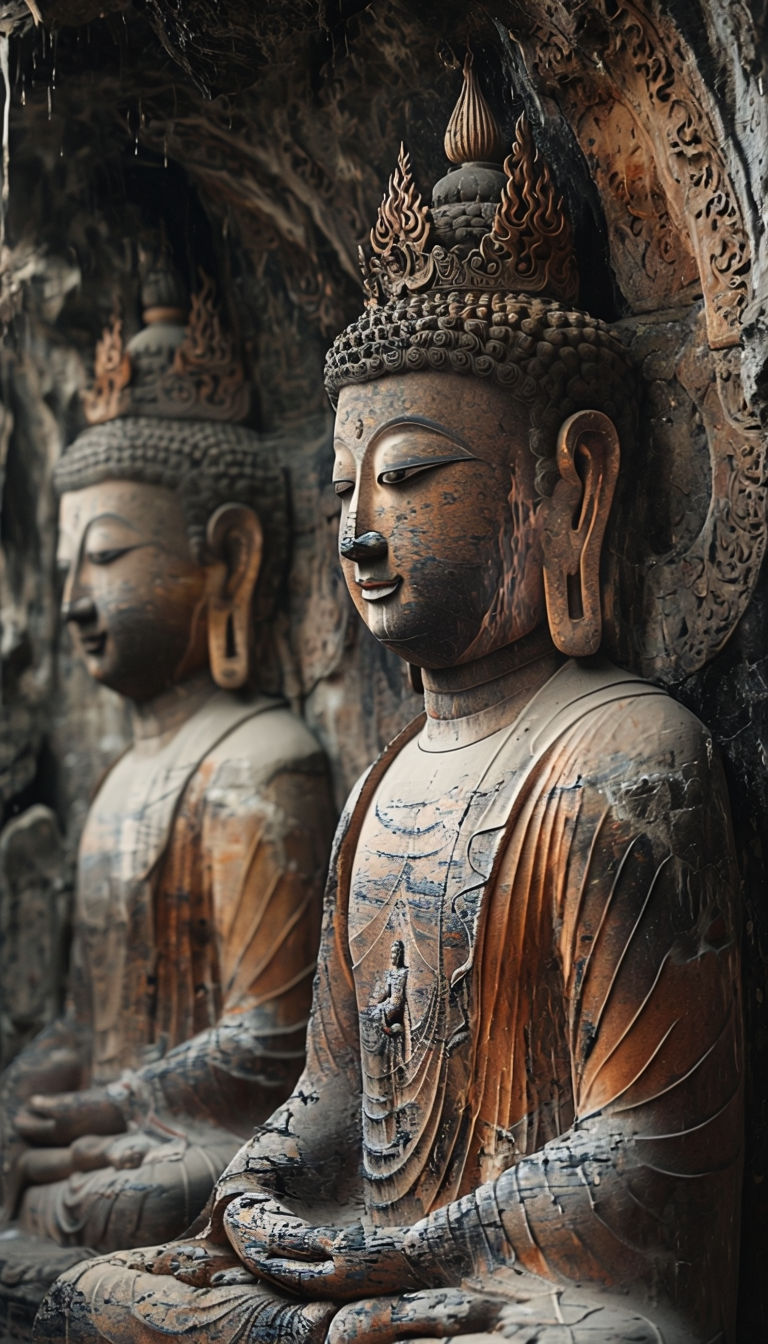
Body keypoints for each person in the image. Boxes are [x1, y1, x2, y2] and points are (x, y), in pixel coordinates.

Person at [35, 58, 742, 1344]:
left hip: (527, 1293)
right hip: (368, 1274)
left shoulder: (627, 758)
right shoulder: (374, 788)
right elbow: (323, 1097)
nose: (359, 533)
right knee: (90, 1289)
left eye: (410, 475)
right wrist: (254, 1191)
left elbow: (652, 1147)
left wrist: (414, 1250)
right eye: (345, 489)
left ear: (572, 485)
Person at [0, 259, 334, 1297]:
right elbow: (89, 1018)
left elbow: (277, 1037)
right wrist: (40, 1085)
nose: (73, 601)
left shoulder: (266, 765)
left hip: (199, 1149)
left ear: (229, 560)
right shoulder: (112, 790)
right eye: (64, 571)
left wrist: (111, 1109)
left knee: (132, 1201)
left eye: (104, 559)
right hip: (120, 1140)